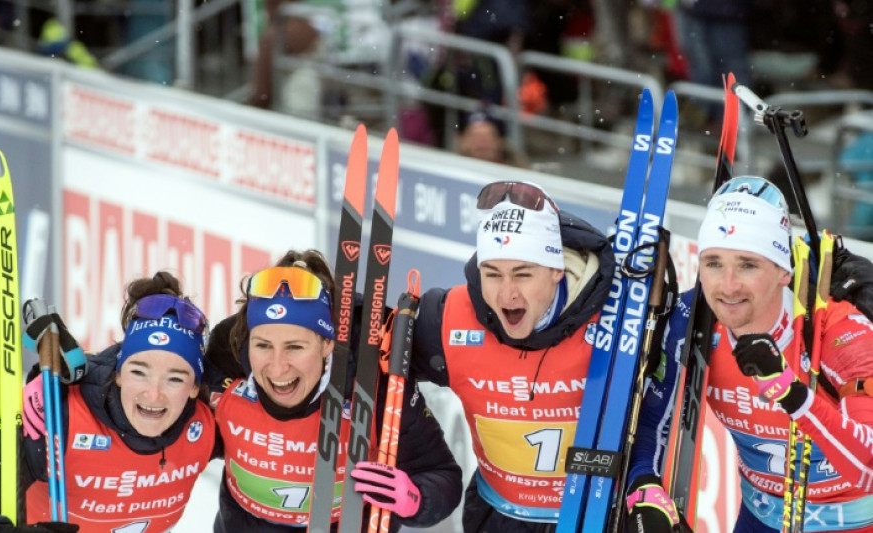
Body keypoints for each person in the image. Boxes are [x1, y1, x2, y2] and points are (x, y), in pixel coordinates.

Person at [630, 176, 873, 532]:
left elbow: (867, 468)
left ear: (781, 271)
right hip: (761, 518)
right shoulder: (692, 321)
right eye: (713, 263)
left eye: (747, 265)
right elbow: (652, 422)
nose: (727, 286)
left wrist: (793, 394)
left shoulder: (840, 331)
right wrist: (644, 489)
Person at [0, 271, 218, 533]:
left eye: (175, 379)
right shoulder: (58, 419)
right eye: (139, 372)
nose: (153, 395)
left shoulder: (205, 427)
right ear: (118, 374)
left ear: (195, 388)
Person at [410, 179, 622, 531]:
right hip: (498, 515)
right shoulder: (447, 318)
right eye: (492, 274)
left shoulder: (617, 313)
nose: (507, 294)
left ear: (556, 270)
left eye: (523, 275)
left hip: (595, 517)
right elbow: (385, 379)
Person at [203, 249, 463, 532]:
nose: (277, 369)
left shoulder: (373, 385)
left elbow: (439, 473)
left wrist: (415, 499)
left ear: (327, 344)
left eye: (295, 347)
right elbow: (183, 441)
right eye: (263, 345)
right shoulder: (226, 370)